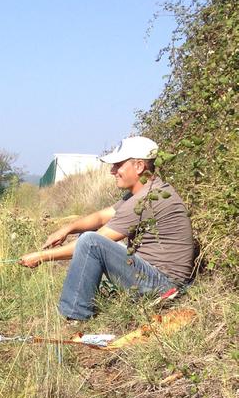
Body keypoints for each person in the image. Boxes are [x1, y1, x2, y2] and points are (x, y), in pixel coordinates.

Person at [19, 135, 195, 320]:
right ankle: (77, 309)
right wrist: (67, 229)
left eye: (118, 165)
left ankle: (74, 314)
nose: (112, 171)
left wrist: (41, 256)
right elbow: (101, 217)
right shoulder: (147, 192)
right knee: (85, 238)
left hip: (164, 286)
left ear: (139, 166)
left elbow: (97, 240)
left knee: (89, 242)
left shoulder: (148, 200)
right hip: (156, 277)